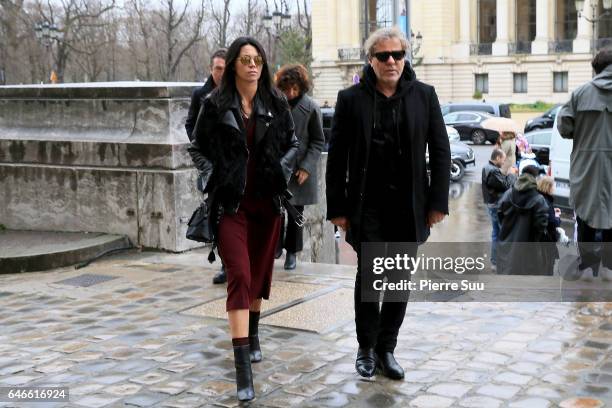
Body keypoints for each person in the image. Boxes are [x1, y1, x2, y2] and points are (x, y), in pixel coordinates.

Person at [326, 27, 450, 380]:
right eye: (383, 56)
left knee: (398, 279)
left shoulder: (424, 96)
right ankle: (365, 348)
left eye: (398, 54)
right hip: (367, 205)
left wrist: (437, 201)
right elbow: (336, 158)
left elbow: (440, 150)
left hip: (409, 206)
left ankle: (387, 348)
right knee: (371, 277)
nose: (392, 61)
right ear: (371, 60)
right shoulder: (350, 99)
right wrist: (337, 208)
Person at [188, 37, 298, 402]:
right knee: (239, 275)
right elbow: (197, 147)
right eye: (245, 59)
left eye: (258, 60)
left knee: (259, 275)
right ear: (234, 64)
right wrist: (210, 175)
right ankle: (242, 372)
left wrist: (280, 171)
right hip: (230, 206)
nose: (253, 65)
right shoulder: (214, 105)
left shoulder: (276, 102)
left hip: (267, 205)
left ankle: (253, 334)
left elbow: (294, 144)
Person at [557, 48, 612, 281]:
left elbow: (564, 127)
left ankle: (588, 265)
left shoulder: (580, 93)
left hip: (585, 169)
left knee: (585, 218)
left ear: (595, 68)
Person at [274, 64, 325, 270]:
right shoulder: (274, 105)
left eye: (295, 89)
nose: (290, 93)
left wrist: (306, 167)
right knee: (275, 210)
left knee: (296, 213)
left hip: (299, 170)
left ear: (302, 87)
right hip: (278, 167)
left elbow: (318, 141)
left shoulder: (312, 107)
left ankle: (292, 253)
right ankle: (275, 246)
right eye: (287, 89)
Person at [185, 48, 228, 285]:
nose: (221, 73)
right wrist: (201, 144)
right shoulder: (200, 95)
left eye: (225, 68)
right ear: (211, 69)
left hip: (233, 165)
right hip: (211, 166)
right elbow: (190, 124)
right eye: (218, 68)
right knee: (217, 216)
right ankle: (225, 265)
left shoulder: (236, 91)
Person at [496, 166, 549, 275]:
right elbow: (541, 225)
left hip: (507, 245)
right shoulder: (539, 200)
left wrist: (506, 229)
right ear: (535, 179)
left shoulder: (508, 194)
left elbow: (499, 214)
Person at [481, 148, 517, 270]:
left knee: (496, 233)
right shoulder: (492, 171)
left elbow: (499, 183)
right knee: (503, 234)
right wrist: (511, 174)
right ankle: (501, 262)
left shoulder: (489, 168)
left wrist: (504, 174)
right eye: (503, 159)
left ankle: (496, 262)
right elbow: (506, 186)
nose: (504, 161)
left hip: (492, 205)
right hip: (496, 206)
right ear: (497, 158)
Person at [537, 176, 561, 276]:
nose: (554, 189)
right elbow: (553, 223)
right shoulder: (547, 202)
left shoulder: (538, 198)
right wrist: (557, 217)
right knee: (548, 265)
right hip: (547, 239)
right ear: (548, 187)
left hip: (539, 238)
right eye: (553, 187)